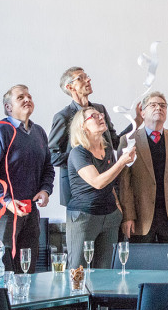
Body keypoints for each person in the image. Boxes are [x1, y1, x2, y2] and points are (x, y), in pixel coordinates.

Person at [0, 85, 54, 273]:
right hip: (2, 210)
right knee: (2, 268)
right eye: (20, 97)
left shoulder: (39, 132)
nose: (27, 99)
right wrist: (7, 201)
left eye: (29, 96)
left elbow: (48, 167)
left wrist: (45, 189)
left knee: (27, 267)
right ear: (8, 107)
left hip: (29, 210)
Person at [118, 92, 168, 244]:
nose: (158, 108)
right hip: (141, 218)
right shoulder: (128, 140)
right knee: (142, 266)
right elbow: (124, 183)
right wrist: (128, 216)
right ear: (142, 112)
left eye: (162, 105)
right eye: (153, 105)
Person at [66, 107, 135, 270]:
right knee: (78, 268)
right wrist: (121, 162)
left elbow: (111, 182)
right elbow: (97, 182)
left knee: (105, 270)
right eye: (93, 116)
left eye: (101, 114)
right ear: (83, 125)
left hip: (110, 216)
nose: (100, 117)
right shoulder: (78, 153)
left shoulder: (108, 151)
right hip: (84, 217)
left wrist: (117, 206)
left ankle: (102, 297)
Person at [49, 67, 119, 207]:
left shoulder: (100, 109)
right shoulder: (63, 117)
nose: (88, 79)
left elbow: (115, 142)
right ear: (70, 87)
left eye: (86, 76)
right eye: (80, 78)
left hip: (109, 186)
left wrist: (136, 122)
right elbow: (51, 155)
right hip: (78, 190)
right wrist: (83, 159)